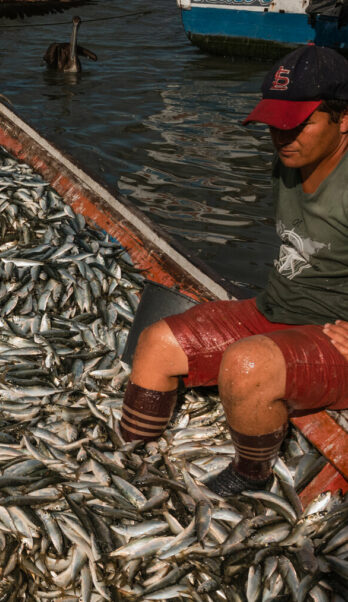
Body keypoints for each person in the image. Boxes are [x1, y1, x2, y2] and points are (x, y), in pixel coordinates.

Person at [119, 44, 348, 497]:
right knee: (156, 345)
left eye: (297, 125)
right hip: (276, 308)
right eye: (274, 126)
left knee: (246, 366)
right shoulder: (290, 160)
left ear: (344, 119)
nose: (283, 138)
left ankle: (251, 477)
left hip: (331, 336)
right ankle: (126, 464)